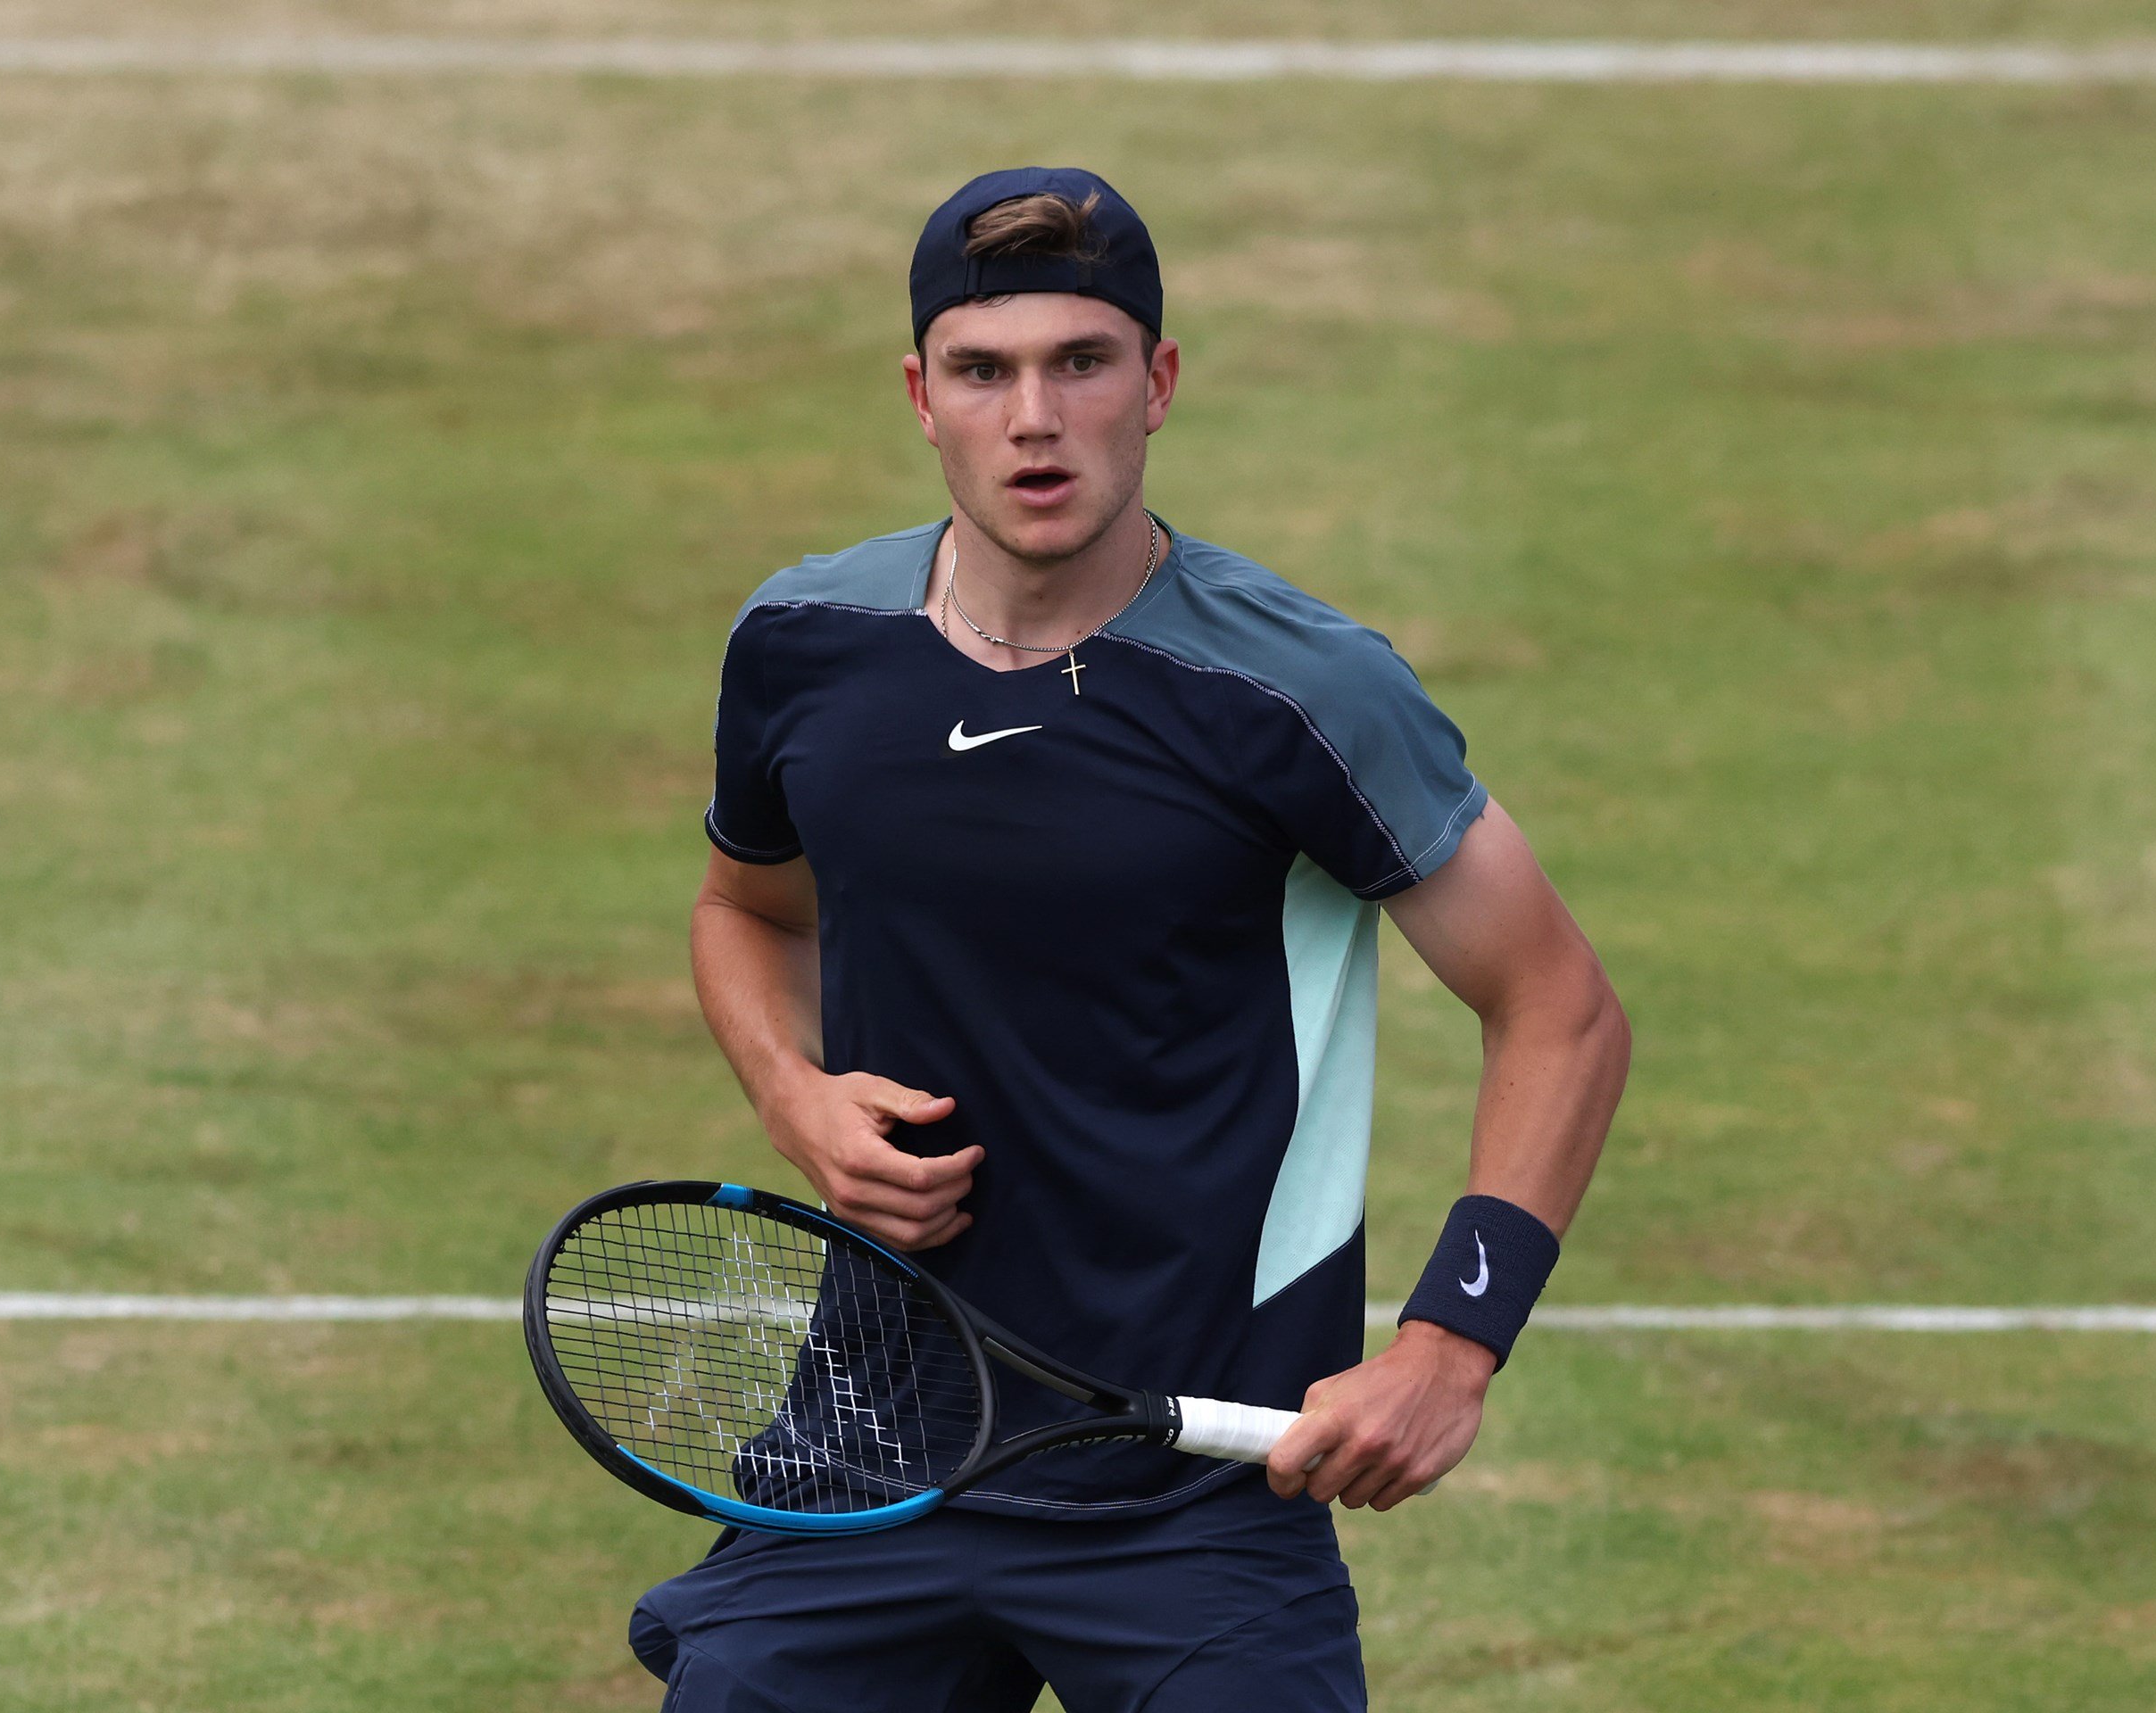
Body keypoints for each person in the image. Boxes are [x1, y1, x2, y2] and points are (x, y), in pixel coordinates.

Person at [631, 165, 1630, 1712]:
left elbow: (1558, 1007)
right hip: (866, 1461)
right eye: (985, 370)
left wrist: (1452, 1342)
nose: (1035, 418)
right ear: (922, 396)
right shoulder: (805, 647)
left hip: (1191, 1494)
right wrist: (790, 1094)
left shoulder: (1302, 693)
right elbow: (745, 909)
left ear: (1156, 383)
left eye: (1081, 364)